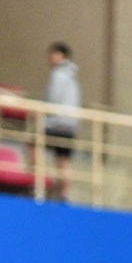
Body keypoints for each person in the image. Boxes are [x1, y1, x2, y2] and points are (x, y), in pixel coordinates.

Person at [43, 42, 82, 200]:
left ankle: (36, 183)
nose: (49, 58)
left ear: (60, 55)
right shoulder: (73, 76)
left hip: (57, 123)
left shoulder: (58, 75)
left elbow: (52, 99)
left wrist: (42, 112)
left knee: (32, 144)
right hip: (70, 124)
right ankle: (64, 192)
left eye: (52, 54)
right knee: (63, 159)